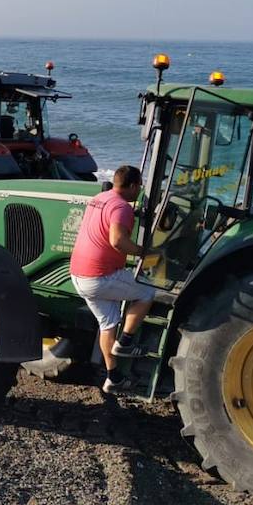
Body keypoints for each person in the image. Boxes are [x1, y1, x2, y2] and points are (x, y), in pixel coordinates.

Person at [69, 164, 157, 394]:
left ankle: (114, 378)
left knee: (107, 324)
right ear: (133, 185)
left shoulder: (100, 197)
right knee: (147, 293)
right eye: (139, 186)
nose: (140, 190)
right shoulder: (122, 207)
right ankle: (126, 342)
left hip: (78, 276)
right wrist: (143, 252)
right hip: (100, 276)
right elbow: (117, 240)